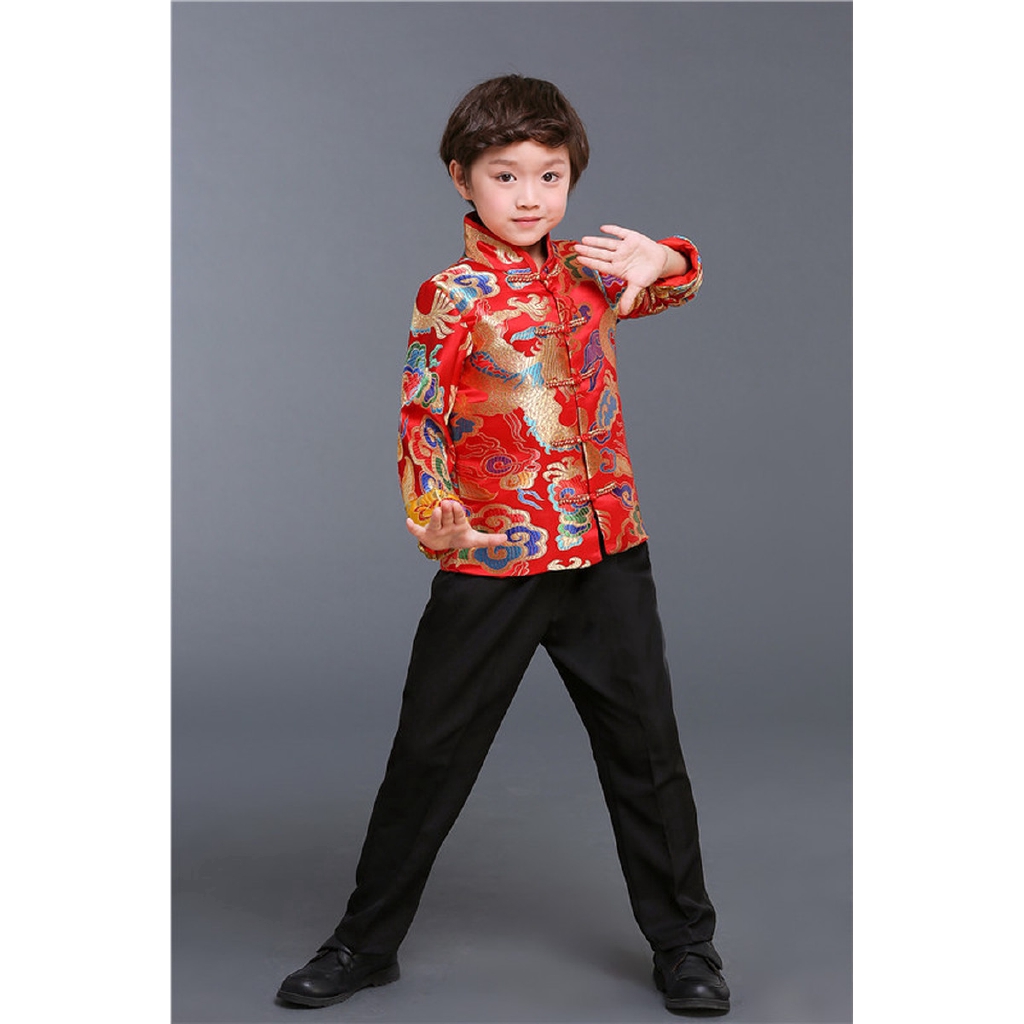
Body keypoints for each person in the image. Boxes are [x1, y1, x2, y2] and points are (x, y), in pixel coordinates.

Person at [276, 74, 730, 1016]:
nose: (530, 197)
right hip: (493, 557)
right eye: (505, 175)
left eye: (550, 176)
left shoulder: (594, 274)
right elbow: (421, 419)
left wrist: (668, 256)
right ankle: (364, 943)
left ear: (571, 180)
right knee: (431, 752)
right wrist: (433, 512)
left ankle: (687, 946)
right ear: (462, 179)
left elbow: (675, 285)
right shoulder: (450, 296)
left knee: (647, 754)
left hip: (608, 552)